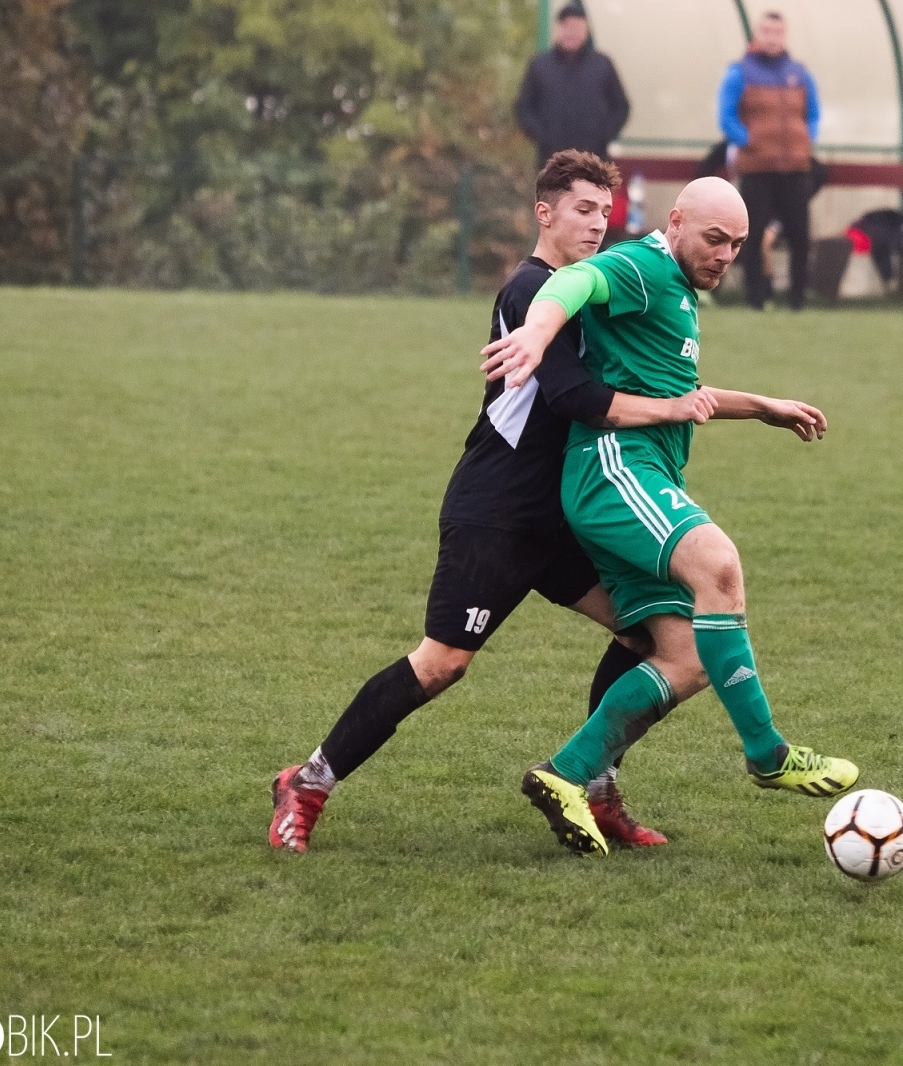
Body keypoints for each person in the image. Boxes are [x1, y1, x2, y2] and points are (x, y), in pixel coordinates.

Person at [269, 151, 718, 853]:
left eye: (605, 212)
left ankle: (594, 790)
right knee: (443, 663)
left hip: (566, 512)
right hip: (499, 508)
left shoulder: (588, 287)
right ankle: (308, 780)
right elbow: (575, 398)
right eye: (582, 210)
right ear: (545, 213)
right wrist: (671, 409)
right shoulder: (531, 289)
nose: (597, 225)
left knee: (651, 638)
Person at [480, 177, 859, 857]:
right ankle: (768, 754)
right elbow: (569, 287)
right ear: (676, 222)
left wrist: (764, 406)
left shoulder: (676, 290)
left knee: (685, 656)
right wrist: (536, 336)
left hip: (643, 472)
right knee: (719, 564)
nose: (726, 255)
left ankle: (564, 774)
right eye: (715, 239)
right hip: (614, 468)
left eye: (738, 245)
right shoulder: (643, 265)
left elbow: (681, 391)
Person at [717, 11, 821, 311]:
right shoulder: (740, 72)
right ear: (757, 35)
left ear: (784, 35)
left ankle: (797, 299)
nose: (772, 38)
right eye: (767, 32)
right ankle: (756, 297)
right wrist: (749, 141)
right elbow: (726, 117)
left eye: (778, 32)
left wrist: (806, 137)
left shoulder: (799, 73)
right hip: (757, 169)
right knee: (753, 233)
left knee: (800, 236)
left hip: (795, 169)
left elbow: (813, 113)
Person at [513, 4, 630, 170]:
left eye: (577, 27)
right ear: (558, 29)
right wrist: (543, 136)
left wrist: (602, 135)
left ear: (586, 29)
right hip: (551, 161)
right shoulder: (540, 66)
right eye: (567, 26)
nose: (572, 32)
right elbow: (523, 108)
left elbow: (621, 107)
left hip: (593, 160)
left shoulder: (602, 65)